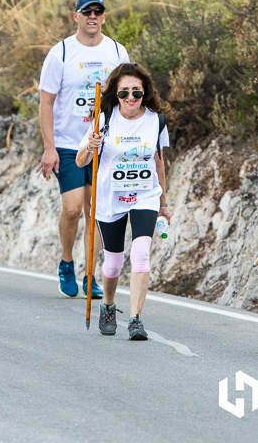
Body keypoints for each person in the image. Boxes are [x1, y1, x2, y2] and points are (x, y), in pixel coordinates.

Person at [38, 0, 129, 299]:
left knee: (95, 210)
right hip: (68, 142)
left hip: (103, 143)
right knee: (73, 208)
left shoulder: (116, 51)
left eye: (98, 12)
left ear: (104, 17)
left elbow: (128, 94)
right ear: (75, 16)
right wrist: (49, 147)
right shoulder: (61, 53)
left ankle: (90, 274)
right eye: (86, 12)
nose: (92, 17)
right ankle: (66, 261)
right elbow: (46, 102)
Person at [76, 63, 170, 340]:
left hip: (145, 194)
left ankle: (136, 319)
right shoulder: (103, 119)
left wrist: (163, 202)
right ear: (115, 95)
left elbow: (159, 162)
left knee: (141, 252)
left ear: (146, 93)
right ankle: (107, 304)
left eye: (136, 93)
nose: (130, 99)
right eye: (124, 93)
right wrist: (90, 147)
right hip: (110, 196)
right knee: (114, 263)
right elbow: (81, 160)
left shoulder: (156, 120)